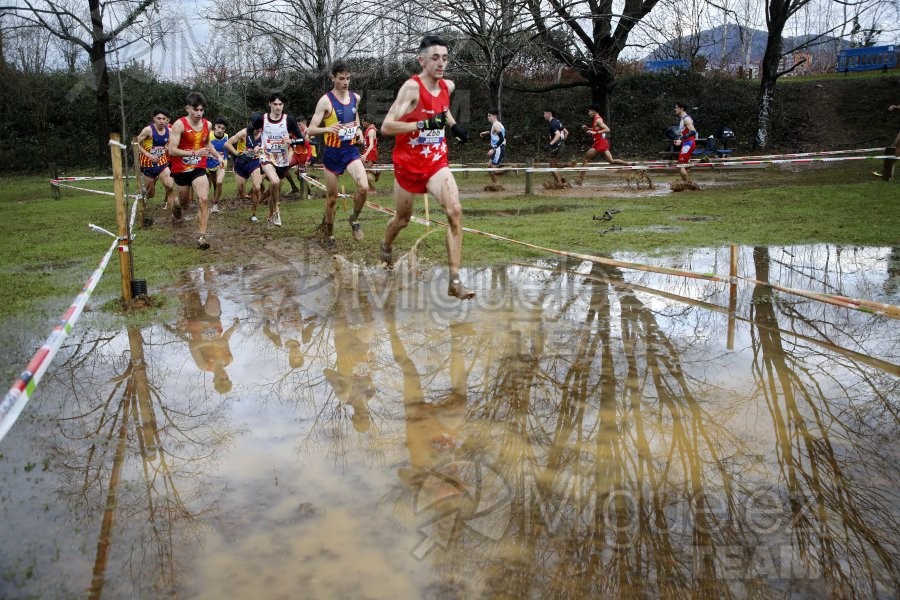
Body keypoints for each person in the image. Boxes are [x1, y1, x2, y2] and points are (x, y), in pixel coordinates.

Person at [380, 35, 474, 300]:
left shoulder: (449, 86)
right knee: (403, 219)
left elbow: (442, 110)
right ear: (421, 60)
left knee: (455, 210)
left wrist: (453, 126)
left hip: (435, 163)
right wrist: (421, 125)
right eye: (435, 58)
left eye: (445, 58)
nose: (441, 63)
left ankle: (454, 281)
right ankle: (386, 246)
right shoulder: (411, 89)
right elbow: (387, 126)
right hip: (408, 165)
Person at [307, 59, 369, 247]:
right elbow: (310, 130)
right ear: (333, 78)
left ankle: (354, 219)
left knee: (364, 187)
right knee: (332, 198)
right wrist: (328, 129)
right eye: (341, 78)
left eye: (348, 78)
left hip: (350, 150)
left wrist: (358, 129)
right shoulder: (325, 101)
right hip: (332, 153)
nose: (345, 82)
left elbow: (355, 116)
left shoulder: (355, 98)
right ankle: (330, 233)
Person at [167, 91, 222, 249]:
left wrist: (218, 156)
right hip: (181, 169)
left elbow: (206, 144)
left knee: (204, 198)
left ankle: (202, 237)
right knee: (184, 204)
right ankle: (176, 207)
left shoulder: (208, 124)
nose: (199, 113)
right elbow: (171, 150)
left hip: (198, 167)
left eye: (201, 110)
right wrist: (193, 153)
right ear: (187, 108)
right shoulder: (179, 124)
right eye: (195, 109)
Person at [253, 90, 305, 227]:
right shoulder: (262, 119)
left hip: (282, 158)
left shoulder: (289, 120)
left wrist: (292, 141)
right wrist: (256, 145)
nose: (277, 107)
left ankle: (271, 215)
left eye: (280, 104)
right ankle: (276, 210)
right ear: (270, 104)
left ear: (283, 105)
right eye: (275, 104)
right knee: (274, 182)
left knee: (275, 188)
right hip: (266, 155)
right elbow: (249, 131)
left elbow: (301, 139)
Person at [576, 104, 632, 186]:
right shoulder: (596, 119)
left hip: (600, 143)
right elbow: (596, 129)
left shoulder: (598, 120)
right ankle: (630, 165)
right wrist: (588, 129)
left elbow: (607, 129)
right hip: (603, 142)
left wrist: (595, 132)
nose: (588, 113)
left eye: (589, 111)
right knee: (611, 161)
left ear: (594, 111)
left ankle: (580, 181)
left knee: (585, 160)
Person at [225, 114, 266, 223]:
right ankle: (247, 196)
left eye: (261, 127)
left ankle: (253, 214)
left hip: (255, 163)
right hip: (241, 164)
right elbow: (227, 144)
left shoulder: (264, 135)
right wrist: (238, 154)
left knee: (257, 187)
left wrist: (261, 150)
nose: (259, 130)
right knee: (241, 194)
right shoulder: (244, 133)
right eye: (257, 127)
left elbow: (267, 150)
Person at [135, 108, 176, 211]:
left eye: (164, 119)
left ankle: (174, 214)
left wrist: (167, 147)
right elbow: (135, 144)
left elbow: (171, 143)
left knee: (170, 186)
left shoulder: (170, 131)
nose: (162, 121)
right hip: (147, 164)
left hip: (161, 162)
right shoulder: (148, 130)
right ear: (154, 118)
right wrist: (148, 154)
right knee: (150, 194)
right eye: (159, 118)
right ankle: (143, 199)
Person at [206, 117, 229, 213]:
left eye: (223, 128)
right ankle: (204, 203)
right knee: (207, 187)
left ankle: (215, 204)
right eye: (219, 127)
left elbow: (229, 148)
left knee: (219, 183)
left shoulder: (227, 137)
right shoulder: (208, 136)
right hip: (207, 164)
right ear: (214, 126)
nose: (220, 130)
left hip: (221, 163)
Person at [479, 109, 506, 189]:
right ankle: (496, 185)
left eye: (489, 115)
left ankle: (511, 168)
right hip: (497, 148)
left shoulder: (495, 125)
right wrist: (487, 132)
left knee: (493, 169)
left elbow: (501, 138)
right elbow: (497, 134)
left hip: (498, 148)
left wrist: (493, 149)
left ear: (494, 116)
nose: (488, 117)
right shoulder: (496, 125)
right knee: (489, 167)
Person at [673, 101, 698, 182]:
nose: (675, 109)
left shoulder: (686, 119)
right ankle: (685, 182)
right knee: (685, 165)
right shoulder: (682, 119)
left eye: (676, 107)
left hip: (688, 143)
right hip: (686, 143)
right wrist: (679, 139)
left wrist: (681, 140)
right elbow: (685, 133)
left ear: (681, 108)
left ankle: (688, 184)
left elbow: (693, 131)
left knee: (680, 165)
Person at [543, 108, 568, 185]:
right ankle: (561, 181)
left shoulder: (552, 123)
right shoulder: (557, 121)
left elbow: (557, 135)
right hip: (560, 145)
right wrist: (562, 141)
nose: (543, 116)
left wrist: (550, 144)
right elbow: (566, 132)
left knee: (552, 166)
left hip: (556, 146)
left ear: (549, 114)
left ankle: (560, 183)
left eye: (545, 114)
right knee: (553, 165)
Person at [360, 114, 380, 193]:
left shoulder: (371, 131)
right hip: (367, 151)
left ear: (367, 122)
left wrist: (365, 155)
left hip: (371, 153)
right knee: (363, 170)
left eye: (363, 121)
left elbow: (371, 145)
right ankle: (376, 172)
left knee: (364, 172)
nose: (362, 123)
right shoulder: (368, 129)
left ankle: (372, 189)